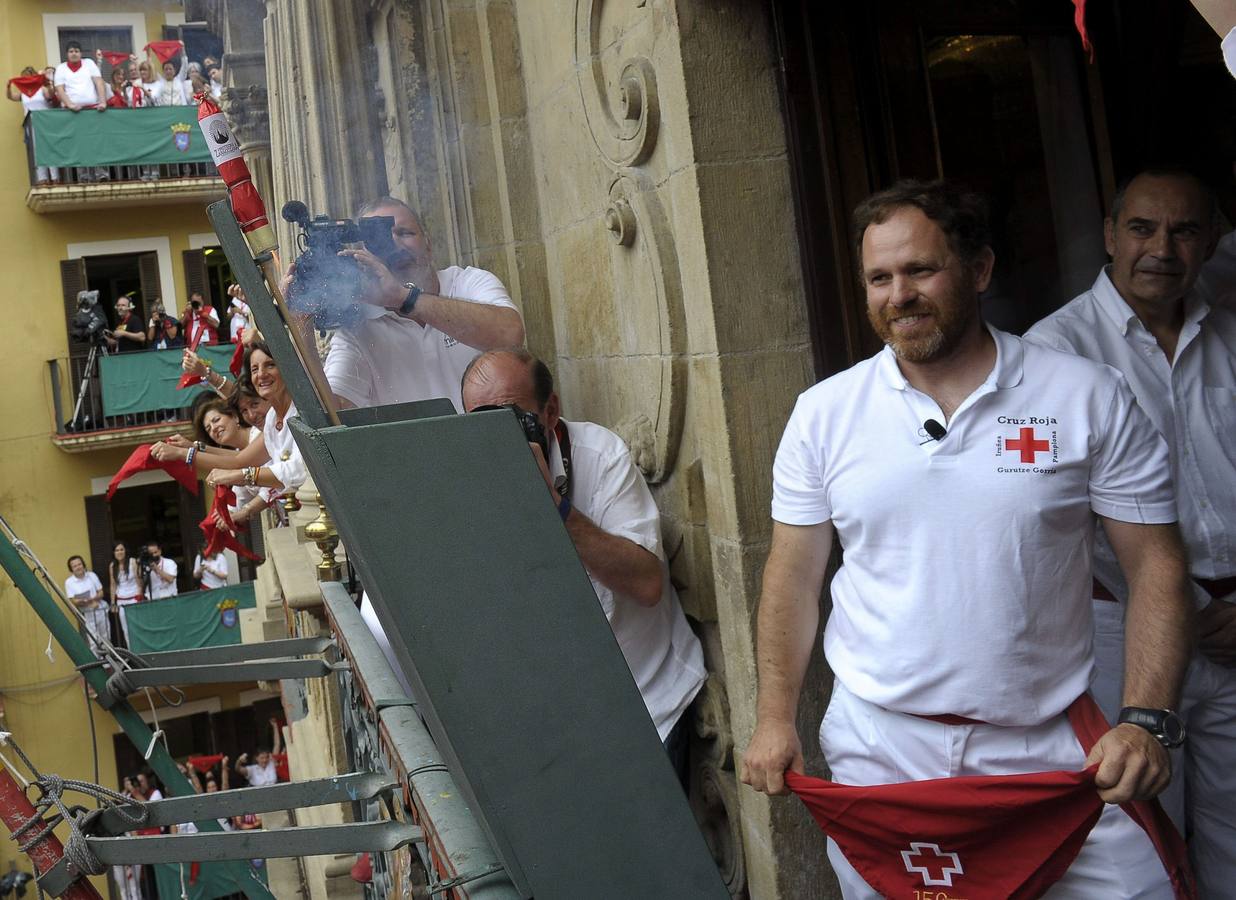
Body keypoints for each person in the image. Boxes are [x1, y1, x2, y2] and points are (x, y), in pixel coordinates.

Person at [740, 179, 1193, 898]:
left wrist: (1144, 719)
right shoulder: (824, 414)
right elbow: (793, 576)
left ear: (979, 270)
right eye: (880, 278)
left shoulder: (1084, 394)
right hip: (884, 751)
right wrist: (774, 718)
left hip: (1049, 743)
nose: (900, 295)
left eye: (921, 270)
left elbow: (1156, 564)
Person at [1025, 167, 1236, 897]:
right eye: (1143, 228)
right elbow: (1058, 512)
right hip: (1125, 630)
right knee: (1141, 833)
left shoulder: (1230, 334)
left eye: (1184, 231)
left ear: (1212, 241)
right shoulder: (1054, 350)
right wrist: (1194, 610)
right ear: (1111, 235)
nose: (1162, 249)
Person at [461, 349, 707, 782]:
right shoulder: (464, 475)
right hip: (559, 720)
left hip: (646, 701)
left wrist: (555, 508)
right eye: (479, 422)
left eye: (511, 419)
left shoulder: (600, 456)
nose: (496, 438)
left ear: (550, 410)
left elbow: (647, 584)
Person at [287, 195, 524, 412]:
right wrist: (301, 329)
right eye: (377, 238)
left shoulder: (467, 283)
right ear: (362, 256)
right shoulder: (359, 328)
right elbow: (333, 412)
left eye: (405, 233)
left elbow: (510, 335)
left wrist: (403, 298)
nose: (395, 245)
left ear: (428, 244)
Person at [52, 41, 107, 183]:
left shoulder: (89, 64)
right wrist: (70, 104)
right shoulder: (61, 68)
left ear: (81, 53)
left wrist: (103, 101)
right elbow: (59, 89)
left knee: (95, 141)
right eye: (71, 51)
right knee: (78, 143)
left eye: (76, 51)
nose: (74, 53)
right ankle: (84, 174)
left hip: (92, 110)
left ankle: (100, 172)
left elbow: (99, 82)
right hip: (73, 112)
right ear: (67, 54)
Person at [7, 66, 60, 184]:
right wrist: (8, 86)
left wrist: (48, 84)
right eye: (24, 77)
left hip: (45, 122)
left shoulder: (42, 89)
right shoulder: (23, 93)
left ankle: (55, 177)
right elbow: (11, 97)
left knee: (49, 149)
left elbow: (50, 95)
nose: (27, 79)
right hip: (31, 125)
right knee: (36, 151)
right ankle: (42, 179)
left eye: (30, 76)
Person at [64, 555, 107, 644]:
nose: (78, 567)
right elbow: (73, 601)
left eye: (79, 564)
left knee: (106, 638)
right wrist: (85, 602)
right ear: (71, 569)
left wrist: (92, 599)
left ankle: (109, 653)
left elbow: (101, 592)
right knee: (93, 642)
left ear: (83, 564)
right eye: (75, 566)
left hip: (99, 610)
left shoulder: (92, 575)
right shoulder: (69, 582)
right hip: (86, 614)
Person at [109, 542, 142, 646]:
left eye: (121, 549)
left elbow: (139, 582)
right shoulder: (112, 565)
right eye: (117, 550)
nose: (119, 552)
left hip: (134, 599)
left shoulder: (133, 562)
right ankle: (132, 651)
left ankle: (142, 650)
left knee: (137, 627)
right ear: (114, 553)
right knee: (126, 629)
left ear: (125, 551)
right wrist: (113, 603)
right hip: (121, 601)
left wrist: (139, 597)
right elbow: (113, 585)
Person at [235, 719, 283, 786]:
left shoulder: (271, 763)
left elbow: (277, 744)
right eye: (262, 758)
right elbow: (238, 769)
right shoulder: (252, 770)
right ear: (256, 758)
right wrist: (239, 761)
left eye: (266, 757)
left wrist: (275, 726)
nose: (265, 760)